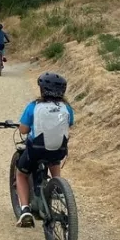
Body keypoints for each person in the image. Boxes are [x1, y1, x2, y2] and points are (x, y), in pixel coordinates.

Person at [14, 72, 74, 227]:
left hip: (36, 150)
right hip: (58, 150)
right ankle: (56, 185)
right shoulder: (66, 108)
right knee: (53, 156)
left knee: (20, 174)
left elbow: (24, 130)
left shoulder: (34, 106)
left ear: (42, 89)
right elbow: (69, 124)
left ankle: (25, 210)